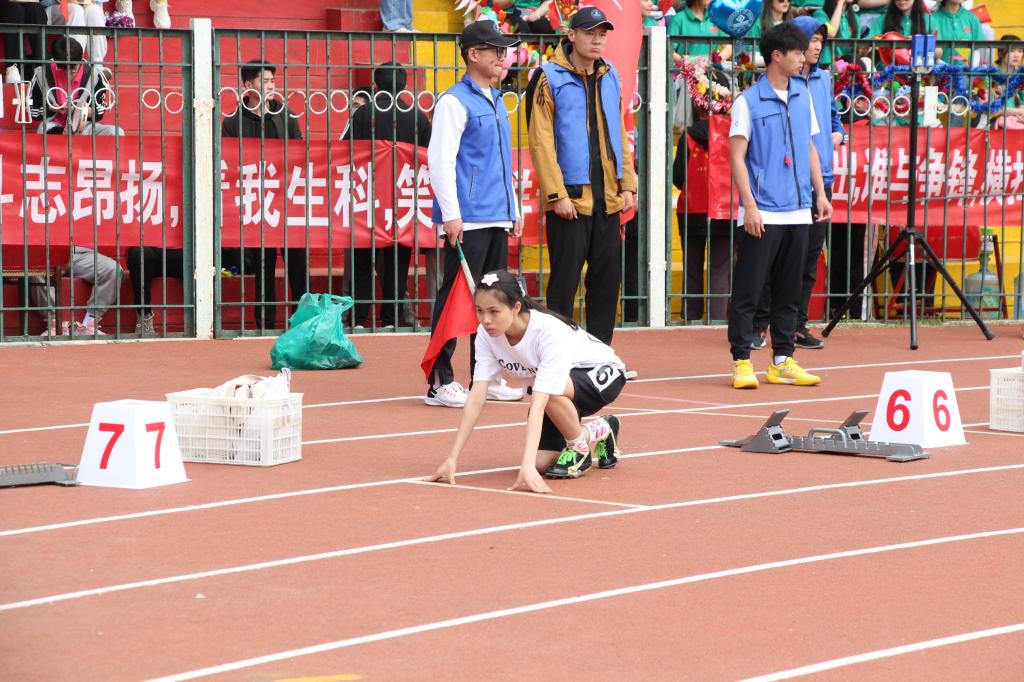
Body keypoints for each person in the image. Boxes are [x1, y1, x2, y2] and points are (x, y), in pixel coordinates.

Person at [427, 270, 626, 494]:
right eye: (479, 311)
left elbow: (539, 402)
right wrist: (452, 458)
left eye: (494, 311)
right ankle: (601, 429)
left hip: (601, 373)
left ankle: (579, 449)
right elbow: (476, 397)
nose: (485, 320)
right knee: (542, 463)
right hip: (558, 390)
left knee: (546, 392)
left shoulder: (546, 331)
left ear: (516, 307)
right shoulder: (486, 334)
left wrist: (526, 466)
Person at [424, 20, 526, 407]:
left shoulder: (497, 99)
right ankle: (439, 381)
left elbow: (503, 161)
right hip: (467, 220)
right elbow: (440, 161)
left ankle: (486, 376)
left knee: (494, 300)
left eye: (504, 51)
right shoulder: (453, 102)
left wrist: (513, 207)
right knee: (456, 298)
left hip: (497, 215)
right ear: (473, 54)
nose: (503, 57)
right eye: (496, 50)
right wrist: (451, 215)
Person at [727, 22, 832, 389]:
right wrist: (750, 206)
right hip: (763, 210)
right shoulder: (748, 101)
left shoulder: (803, 95)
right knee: (750, 289)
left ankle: (783, 359)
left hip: (799, 209)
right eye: (798, 52)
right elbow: (737, 157)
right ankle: (742, 360)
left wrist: (820, 194)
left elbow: (810, 147)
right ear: (776, 56)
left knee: (790, 290)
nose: (804, 58)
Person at [526, 6, 638, 345]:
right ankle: (554, 355)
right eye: (590, 33)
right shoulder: (547, 77)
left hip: (609, 200)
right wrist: (556, 194)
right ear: (571, 34)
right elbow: (541, 141)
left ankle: (598, 355)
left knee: (606, 286)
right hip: (571, 202)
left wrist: (628, 184)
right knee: (563, 286)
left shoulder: (610, 75)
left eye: (602, 34)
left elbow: (618, 133)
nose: (597, 40)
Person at [750, 16, 845, 350]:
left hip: (818, 179)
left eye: (820, 41)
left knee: (807, 259)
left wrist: (840, 135)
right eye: (810, 41)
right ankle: (760, 324)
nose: (815, 47)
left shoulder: (822, 79)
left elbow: (833, 119)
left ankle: (796, 325)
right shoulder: (770, 85)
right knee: (771, 260)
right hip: (780, 183)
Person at [342, 61, 432, 329]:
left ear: (375, 86)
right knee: (397, 261)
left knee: (361, 259)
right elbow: (428, 156)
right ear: (404, 86)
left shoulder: (362, 114)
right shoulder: (416, 117)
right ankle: (391, 319)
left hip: (366, 196)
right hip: (401, 197)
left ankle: (358, 318)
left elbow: (344, 151)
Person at [222, 59, 308, 330]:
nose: (271, 86)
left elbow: (299, 152)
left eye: (273, 81)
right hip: (256, 203)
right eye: (265, 81)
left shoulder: (286, 116)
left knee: (298, 264)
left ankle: (303, 320)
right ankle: (265, 322)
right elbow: (228, 162)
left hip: (287, 202)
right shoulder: (233, 122)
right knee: (263, 265)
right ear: (248, 85)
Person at [672, 110, 732, 322]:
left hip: (691, 208)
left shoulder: (688, 135)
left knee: (692, 267)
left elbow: (677, 176)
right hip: (723, 209)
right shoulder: (731, 134)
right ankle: (718, 319)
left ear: (698, 109)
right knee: (720, 269)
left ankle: (690, 317)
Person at [28, 36, 119, 135]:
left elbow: (99, 112)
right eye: (65, 69)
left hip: (84, 126)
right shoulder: (42, 74)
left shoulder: (94, 75)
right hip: (54, 125)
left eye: (74, 68)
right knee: (43, 129)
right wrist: (50, 108)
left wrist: (82, 110)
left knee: (115, 132)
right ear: (56, 62)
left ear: (80, 58)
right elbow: (32, 110)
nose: (70, 73)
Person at [41, 0, 108, 68]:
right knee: (76, 10)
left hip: (86, 5)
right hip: (55, 6)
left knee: (95, 11)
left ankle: (97, 64)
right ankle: (75, 63)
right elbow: (45, 2)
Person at [1, 0, 46, 85]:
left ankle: (42, 65)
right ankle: (12, 66)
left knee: (36, 9)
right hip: (6, 7)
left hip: (29, 5)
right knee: (15, 9)